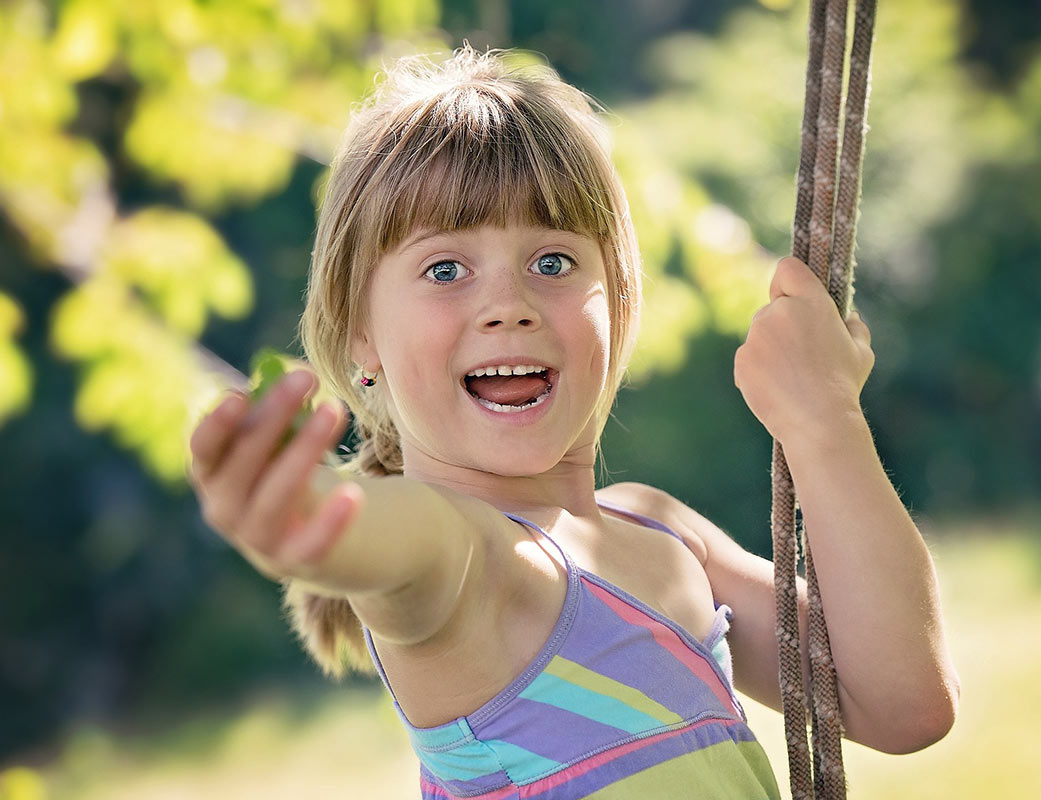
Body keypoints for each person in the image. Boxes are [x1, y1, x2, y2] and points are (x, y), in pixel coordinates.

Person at [187, 45, 959, 799]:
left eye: (552, 262)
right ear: (361, 334)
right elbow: (395, 541)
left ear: (620, 302)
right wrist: (311, 520)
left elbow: (902, 703)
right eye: (445, 269)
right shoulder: (472, 565)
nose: (509, 305)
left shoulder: (663, 533)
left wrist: (827, 422)